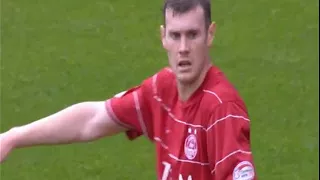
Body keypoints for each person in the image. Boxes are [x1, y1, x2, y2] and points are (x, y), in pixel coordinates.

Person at [0, 0, 257, 179]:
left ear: (210, 35)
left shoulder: (221, 108)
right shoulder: (161, 91)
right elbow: (92, 120)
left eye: (193, 35)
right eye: (175, 35)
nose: (183, 48)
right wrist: (13, 137)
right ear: (163, 37)